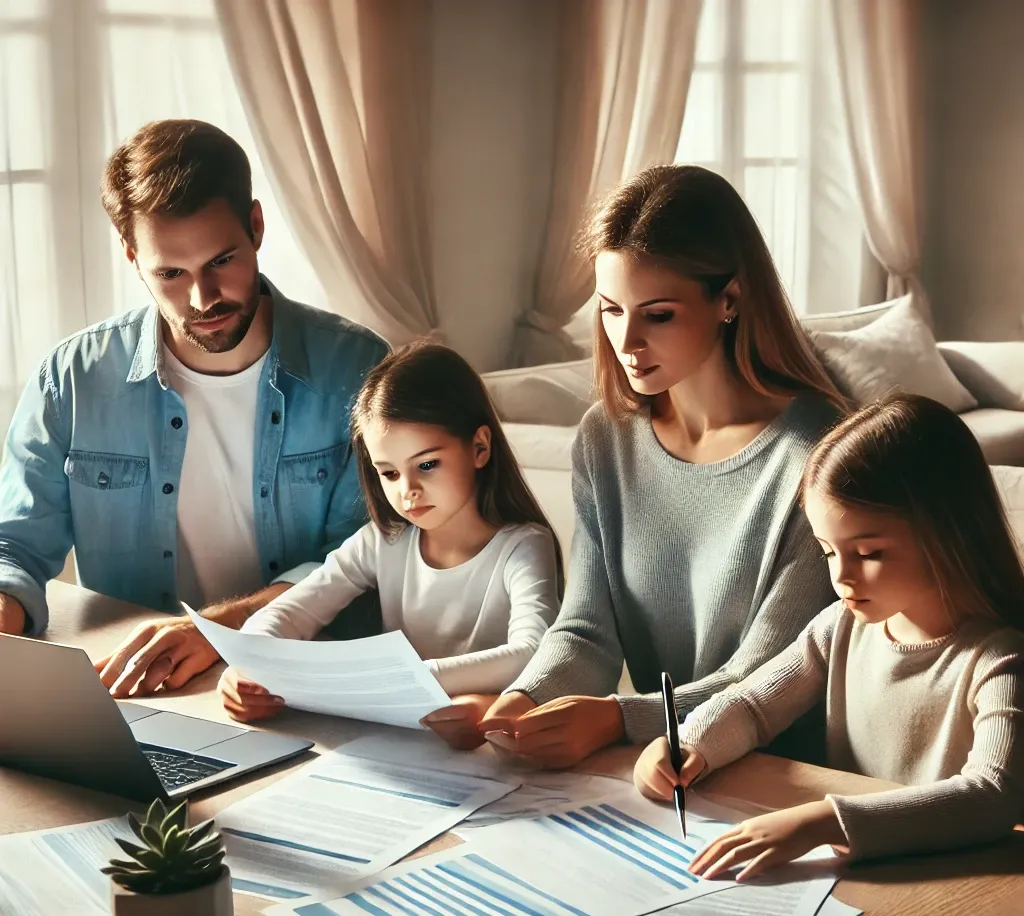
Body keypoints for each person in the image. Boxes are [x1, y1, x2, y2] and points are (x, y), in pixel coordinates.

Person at [469, 164, 847, 768]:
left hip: (776, 775)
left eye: (658, 314)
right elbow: (587, 631)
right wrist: (520, 700)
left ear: (729, 298)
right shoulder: (605, 437)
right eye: (611, 310)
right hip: (653, 768)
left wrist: (618, 717)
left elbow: (765, 679)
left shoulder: (818, 453)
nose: (627, 341)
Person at [0, 119, 387, 697]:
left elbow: (369, 561)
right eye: (171, 274)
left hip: (298, 688)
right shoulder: (73, 379)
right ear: (133, 257)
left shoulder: (358, 370)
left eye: (221, 262)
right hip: (134, 691)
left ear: (256, 227)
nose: (202, 299)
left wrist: (217, 632)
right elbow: (14, 548)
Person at [635, 394, 1024, 878]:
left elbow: (994, 794)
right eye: (828, 552)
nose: (843, 578)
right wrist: (690, 744)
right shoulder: (839, 625)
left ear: (949, 531)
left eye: (868, 553)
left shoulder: (1000, 659)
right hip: (859, 876)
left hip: (953, 886)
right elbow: (754, 707)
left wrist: (824, 821)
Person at [218, 342, 562, 744]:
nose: (408, 491)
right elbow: (288, 614)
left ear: (480, 448)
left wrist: (401, 676)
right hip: (390, 743)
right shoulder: (383, 540)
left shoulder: (522, 546)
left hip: (487, 752)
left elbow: (534, 650)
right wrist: (250, 667)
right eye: (389, 473)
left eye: (427, 465)